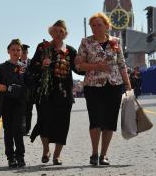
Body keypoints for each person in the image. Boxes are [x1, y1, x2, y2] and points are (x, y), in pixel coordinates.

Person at [76, 12, 132, 166]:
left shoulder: (115, 42)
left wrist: (128, 85)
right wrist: (96, 66)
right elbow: (79, 65)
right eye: (93, 25)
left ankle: (104, 154)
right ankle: (94, 153)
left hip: (114, 85)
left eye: (99, 25)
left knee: (109, 120)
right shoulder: (86, 42)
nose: (95, 28)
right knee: (95, 119)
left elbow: (122, 64)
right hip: (93, 85)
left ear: (106, 26)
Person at [29, 20, 83, 165]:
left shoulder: (70, 51)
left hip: (64, 94)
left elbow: (79, 71)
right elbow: (32, 67)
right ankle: (46, 149)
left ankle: (57, 155)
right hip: (45, 92)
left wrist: (81, 62)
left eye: (61, 31)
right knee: (44, 121)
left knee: (62, 124)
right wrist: (42, 64)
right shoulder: (43, 47)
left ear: (65, 34)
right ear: (51, 32)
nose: (58, 34)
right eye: (55, 31)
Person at [0, 39, 30, 168]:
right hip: (6, 102)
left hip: (19, 103)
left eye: (18, 50)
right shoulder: (2, 67)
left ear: (21, 52)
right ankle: (10, 157)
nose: (15, 52)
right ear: (8, 51)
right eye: (13, 49)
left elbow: (30, 84)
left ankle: (20, 157)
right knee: (8, 130)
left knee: (18, 130)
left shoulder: (24, 67)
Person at [20, 44, 34, 135]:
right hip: (20, 91)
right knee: (21, 111)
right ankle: (21, 128)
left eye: (25, 52)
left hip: (30, 91)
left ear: (27, 53)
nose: (24, 54)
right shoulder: (16, 62)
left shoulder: (32, 62)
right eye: (22, 52)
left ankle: (27, 128)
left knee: (29, 111)